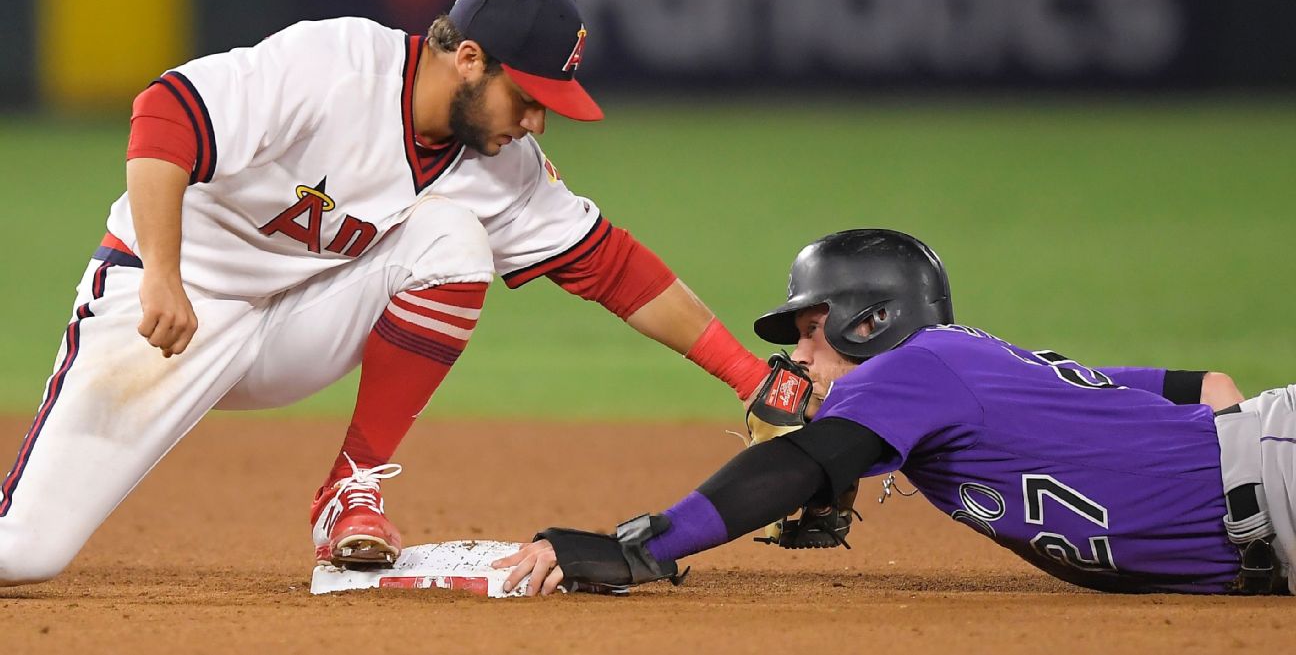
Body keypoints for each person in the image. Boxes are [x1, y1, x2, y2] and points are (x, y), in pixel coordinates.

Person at [0, 0, 773, 585]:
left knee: (451, 241)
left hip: (294, 321)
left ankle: (351, 487)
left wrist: (750, 379)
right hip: (163, 311)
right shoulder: (333, 66)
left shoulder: (499, 165)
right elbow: (164, 112)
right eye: (530, 99)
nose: (536, 122)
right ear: (469, 59)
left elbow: (611, 266)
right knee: (26, 550)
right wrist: (164, 273)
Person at [496, 228, 1296, 596]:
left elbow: (792, 463)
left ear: (868, 321)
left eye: (812, 332)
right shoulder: (961, 367)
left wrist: (642, 545)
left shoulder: (921, 363)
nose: (800, 359)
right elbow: (1209, 387)